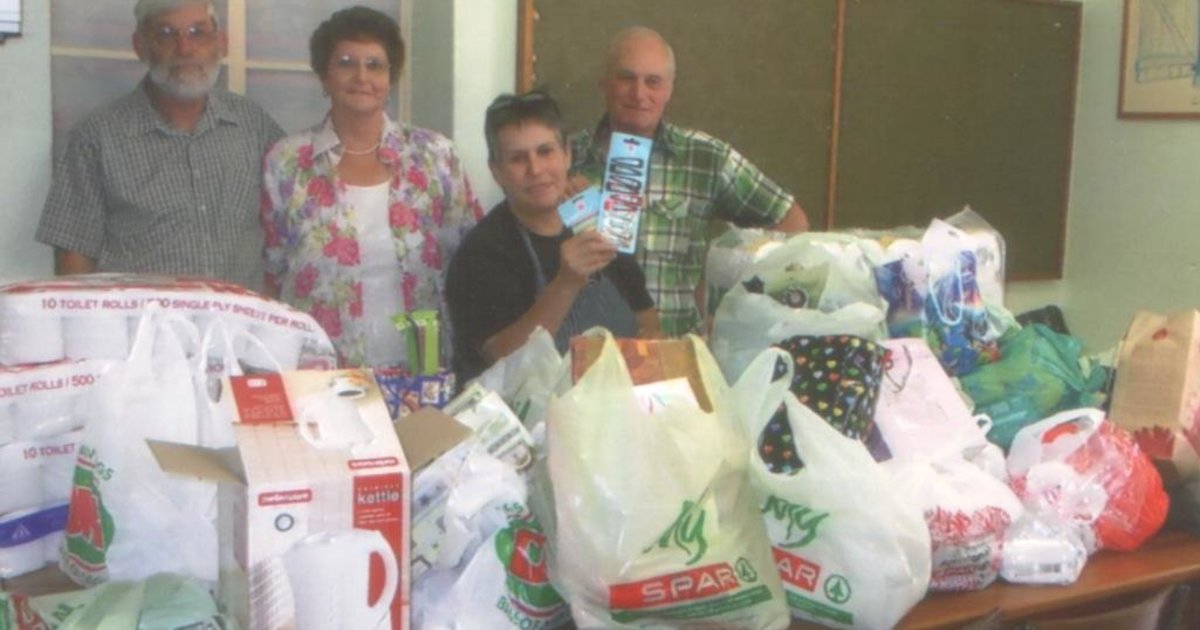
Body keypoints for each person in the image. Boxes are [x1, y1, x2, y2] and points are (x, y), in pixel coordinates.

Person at [262, 6, 482, 368]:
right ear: (324, 77)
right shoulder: (286, 162)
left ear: (391, 78)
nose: (361, 76)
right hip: (322, 369)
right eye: (346, 63)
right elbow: (272, 270)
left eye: (375, 65)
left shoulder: (436, 157)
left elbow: (472, 256)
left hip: (422, 367)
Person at [569, 26, 811, 337]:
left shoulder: (705, 157)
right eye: (626, 78)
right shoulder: (562, 160)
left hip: (675, 350)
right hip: (588, 351)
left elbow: (791, 221)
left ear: (669, 90)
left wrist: (726, 290)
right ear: (604, 84)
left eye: (653, 81)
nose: (639, 94)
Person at [36, 0, 284, 292]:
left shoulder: (253, 125)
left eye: (197, 32)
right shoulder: (97, 138)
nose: (185, 49)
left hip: (239, 318)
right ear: (140, 46)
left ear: (222, 43)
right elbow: (73, 257)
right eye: (166, 34)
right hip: (141, 320)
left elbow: (292, 228)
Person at [446, 92, 660, 383]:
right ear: (496, 172)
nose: (535, 170)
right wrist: (566, 283)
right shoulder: (481, 254)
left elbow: (648, 323)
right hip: (528, 411)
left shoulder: (598, 224)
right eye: (518, 159)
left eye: (545, 152)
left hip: (614, 400)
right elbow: (501, 360)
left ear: (567, 154)